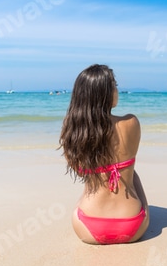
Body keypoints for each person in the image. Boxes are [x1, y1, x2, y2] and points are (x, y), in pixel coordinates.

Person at [59, 64, 149, 244]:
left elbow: (80, 171)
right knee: (131, 172)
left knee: (92, 179)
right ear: (104, 92)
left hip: (88, 228)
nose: (117, 90)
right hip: (133, 226)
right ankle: (143, 210)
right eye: (114, 85)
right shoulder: (131, 122)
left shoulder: (73, 130)